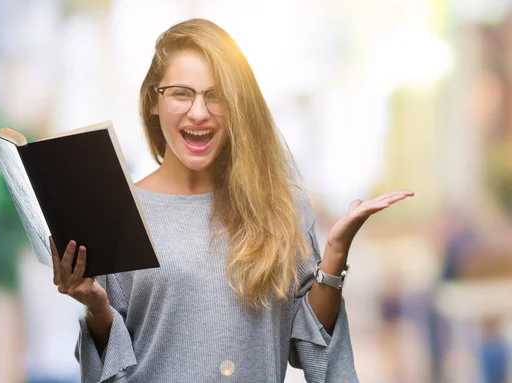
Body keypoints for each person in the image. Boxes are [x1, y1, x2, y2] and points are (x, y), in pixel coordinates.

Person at [49, 18, 414, 382]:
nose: (199, 112)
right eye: (181, 93)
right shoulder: (120, 213)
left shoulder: (280, 205)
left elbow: (310, 349)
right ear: (153, 102)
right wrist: (96, 307)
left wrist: (334, 254)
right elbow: (112, 368)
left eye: (216, 94)